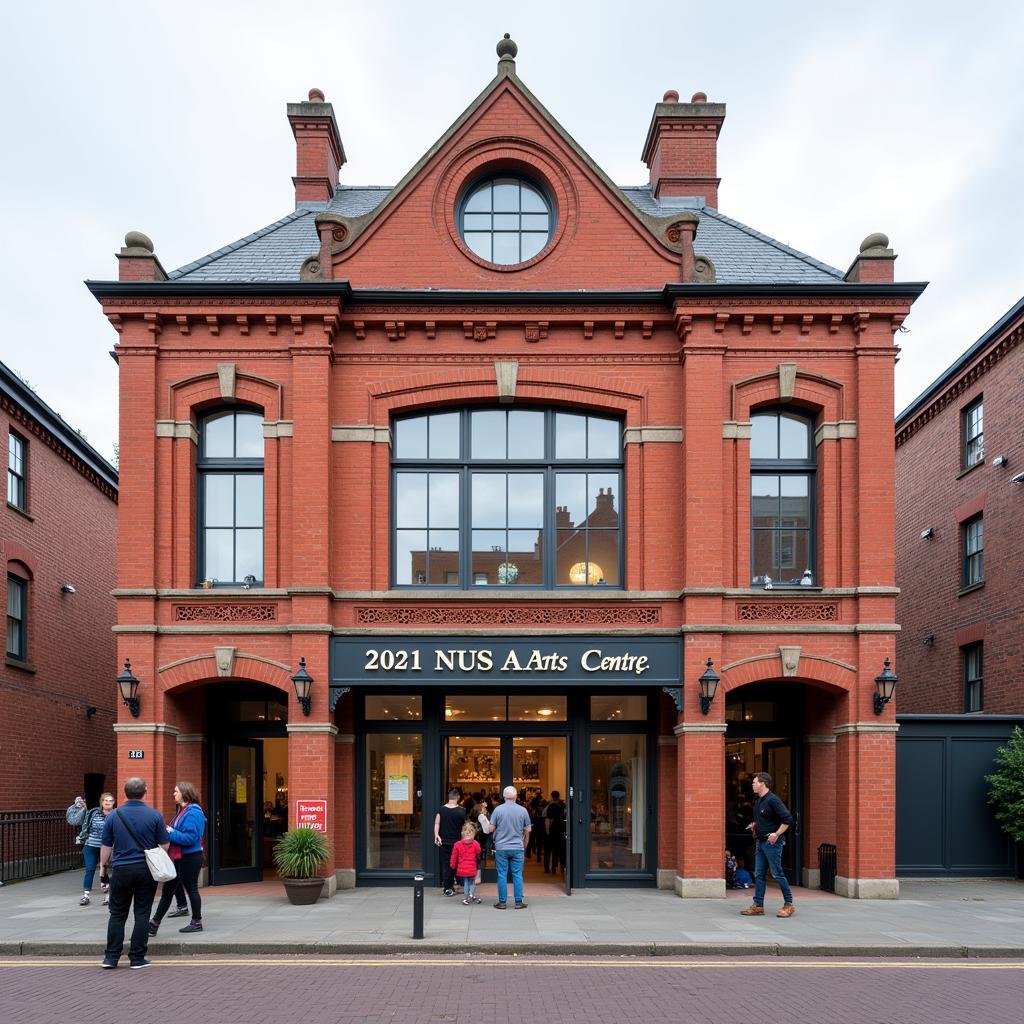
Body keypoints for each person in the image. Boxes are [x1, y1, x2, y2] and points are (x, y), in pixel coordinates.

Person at [98, 776, 169, 969]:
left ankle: (111, 958)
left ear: (124, 793)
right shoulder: (155, 816)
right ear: (145, 792)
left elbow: (106, 846)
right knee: (142, 913)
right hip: (145, 870)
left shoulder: (114, 815)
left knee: (117, 914)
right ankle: (137, 958)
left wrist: (102, 867)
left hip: (121, 870)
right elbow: (164, 844)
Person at [149, 782, 207, 936]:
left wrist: (170, 832)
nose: (173, 794)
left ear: (184, 793)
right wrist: (170, 831)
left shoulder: (193, 812)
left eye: (176, 791)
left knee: (191, 888)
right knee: (168, 890)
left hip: (190, 857)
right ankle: (154, 924)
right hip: (178, 857)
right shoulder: (183, 810)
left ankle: (196, 922)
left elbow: (191, 838)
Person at [740, 771, 795, 918]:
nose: (752, 784)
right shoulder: (758, 801)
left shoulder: (773, 800)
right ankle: (758, 906)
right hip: (760, 842)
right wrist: (755, 828)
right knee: (759, 874)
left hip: (773, 844)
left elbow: (787, 819)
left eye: (755, 782)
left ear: (763, 784)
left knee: (777, 874)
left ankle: (788, 904)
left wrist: (776, 834)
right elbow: (763, 820)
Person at [67, 792, 116, 906]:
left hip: (107, 847)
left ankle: (108, 896)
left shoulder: (116, 815)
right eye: (106, 801)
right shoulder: (94, 813)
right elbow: (80, 823)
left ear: (113, 802)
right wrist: (79, 807)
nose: (108, 803)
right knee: (90, 869)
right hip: (91, 845)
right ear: (102, 802)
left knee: (107, 870)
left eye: (110, 801)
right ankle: (86, 895)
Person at [487, 784, 531, 909]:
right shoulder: (523, 810)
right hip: (518, 847)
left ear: (504, 797)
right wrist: (525, 846)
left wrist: (484, 820)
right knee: (517, 874)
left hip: (501, 847)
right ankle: (518, 901)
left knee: (502, 874)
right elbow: (527, 830)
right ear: (516, 796)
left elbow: (491, 829)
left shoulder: (498, 810)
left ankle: (502, 902)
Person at [433, 789, 466, 897]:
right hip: (458, 842)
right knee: (458, 863)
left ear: (449, 797)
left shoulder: (441, 810)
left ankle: (448, 888)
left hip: (444, 842)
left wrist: (436, 835)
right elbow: (464, 828)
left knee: (447, 865)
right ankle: (460, 883)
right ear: (458, 798)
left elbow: (437, 823)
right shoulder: (462, 811)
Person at [451, 821, 482, 905]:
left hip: (462, 868)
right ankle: (471, 895)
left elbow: (454, 856)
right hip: (472, 867)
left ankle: (465, 898)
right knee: (472, 882)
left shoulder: (457, 844)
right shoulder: (475, 843)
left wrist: (452, 864)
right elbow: (478, 851)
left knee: (465, 882)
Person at [543, 790, 566, 875]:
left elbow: (547, 819)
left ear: (551, 796)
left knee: (550, 850)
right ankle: (561, 867)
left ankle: (550, 867)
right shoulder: (562, 805)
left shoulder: (549, 806)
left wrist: (548, 832)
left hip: (552, 830)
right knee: (560, 850)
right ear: (559, 796)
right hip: (561, 829)